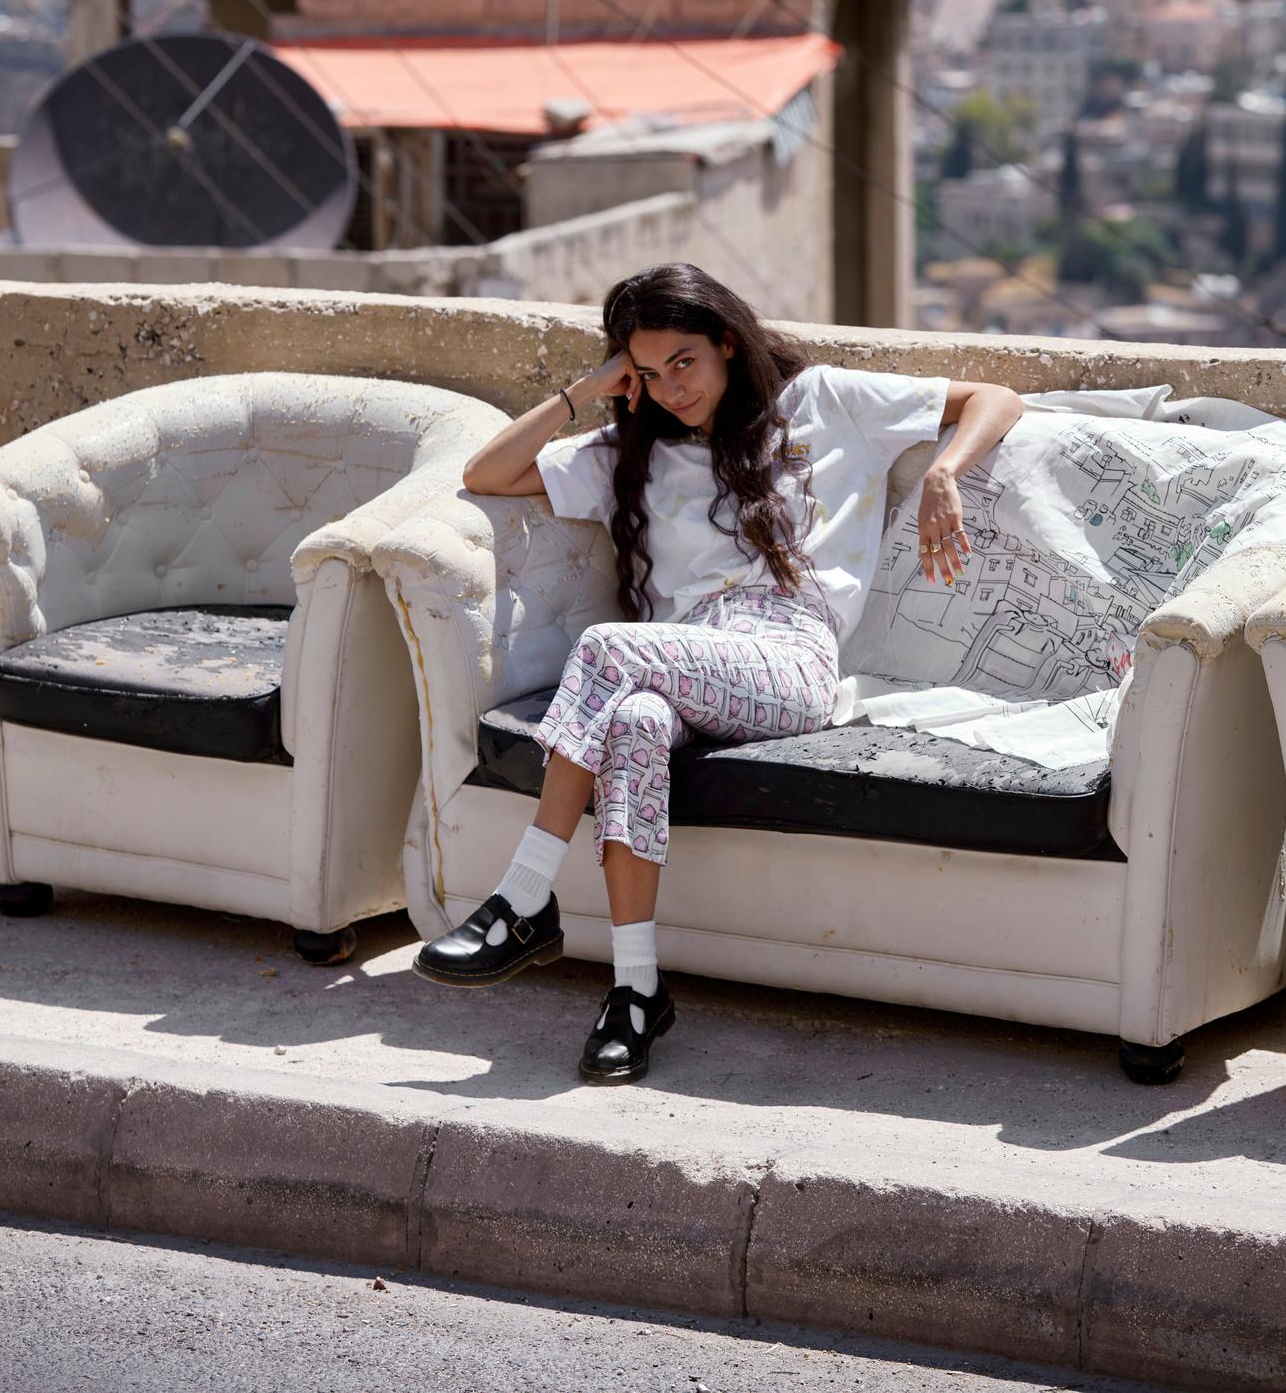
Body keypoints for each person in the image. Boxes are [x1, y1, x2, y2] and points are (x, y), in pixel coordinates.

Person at [414, 264, 1023, 1082]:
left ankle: (523, 897)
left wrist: (944, 472)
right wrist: (590, 388)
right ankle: (635, 991)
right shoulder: (635, 452)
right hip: (682, 659)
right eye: (650, 370)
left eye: (685, 362)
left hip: (789, 657)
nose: (670, 388)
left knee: (605, 647)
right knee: (630, 723)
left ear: (728, 342)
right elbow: (486, 473)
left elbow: (995, 397)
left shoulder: (824, 404)